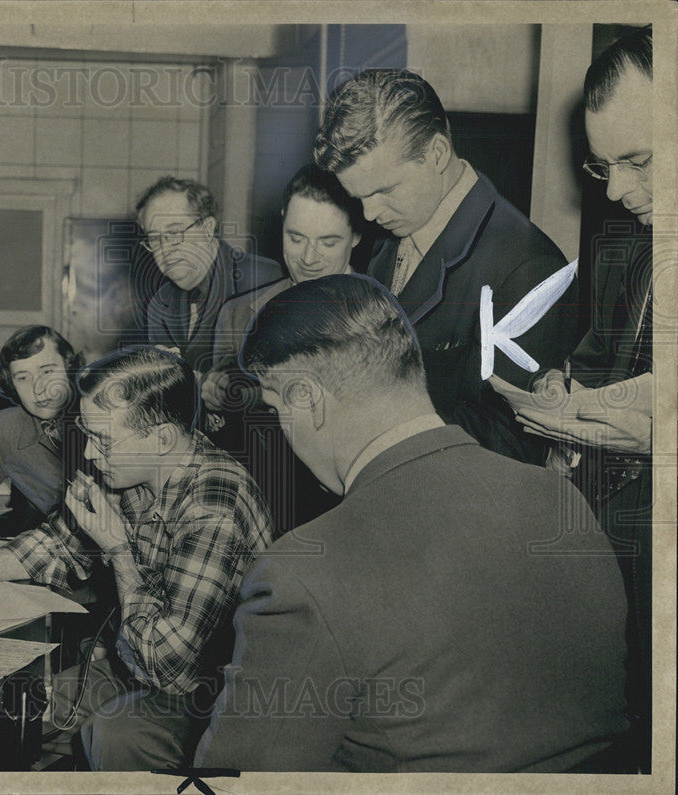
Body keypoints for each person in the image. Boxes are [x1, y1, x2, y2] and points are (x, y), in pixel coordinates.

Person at [194, 275, 630, 772]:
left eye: (276, 410)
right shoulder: (560, 500)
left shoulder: (301, 575)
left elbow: (229, 781)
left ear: (307, 397)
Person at [0, 346, 273, 770]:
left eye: (101, 440)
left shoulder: (215, 505)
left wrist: (118, 550)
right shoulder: (126, 465)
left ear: (162, 438)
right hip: (136, 659)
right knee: (13, 709)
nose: (87, 455)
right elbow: (60, 540)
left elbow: (166, 666)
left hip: (208, 691)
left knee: (112, 734)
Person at [502, 26, 654, 771]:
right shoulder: (633, 244)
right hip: (609, 565)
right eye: (603, 167)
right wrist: (555, 385)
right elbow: (587, 363)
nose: (619, 191)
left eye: (640, 160)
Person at [314, 69, 579, 465]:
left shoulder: (527, 264)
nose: (368, 214)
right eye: (359, 196)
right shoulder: (395, 230)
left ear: (436, 153)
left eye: (383, 190)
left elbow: (515, 442)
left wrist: (370, 432)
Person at [201, 163, 364, 531]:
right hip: (254, 525)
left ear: (356, 235)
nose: (308, 257)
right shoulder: (239, 314)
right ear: (281, 224)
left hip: (346, 523)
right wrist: (210, 400)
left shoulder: (384, 318)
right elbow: (220, 439)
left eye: (328, 241)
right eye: (296, 237)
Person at [138, 176, 283, 376]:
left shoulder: (262, 278)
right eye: (154, 238)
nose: (165, 249)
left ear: (207, 229)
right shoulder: (159, 305)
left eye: (174, 233)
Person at [0, 326, 83, 532]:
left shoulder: (104, 415)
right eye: (22, 378)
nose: (38, 388)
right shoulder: (5, 428)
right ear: (11, 385)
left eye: (47, 371)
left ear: (69, 369)